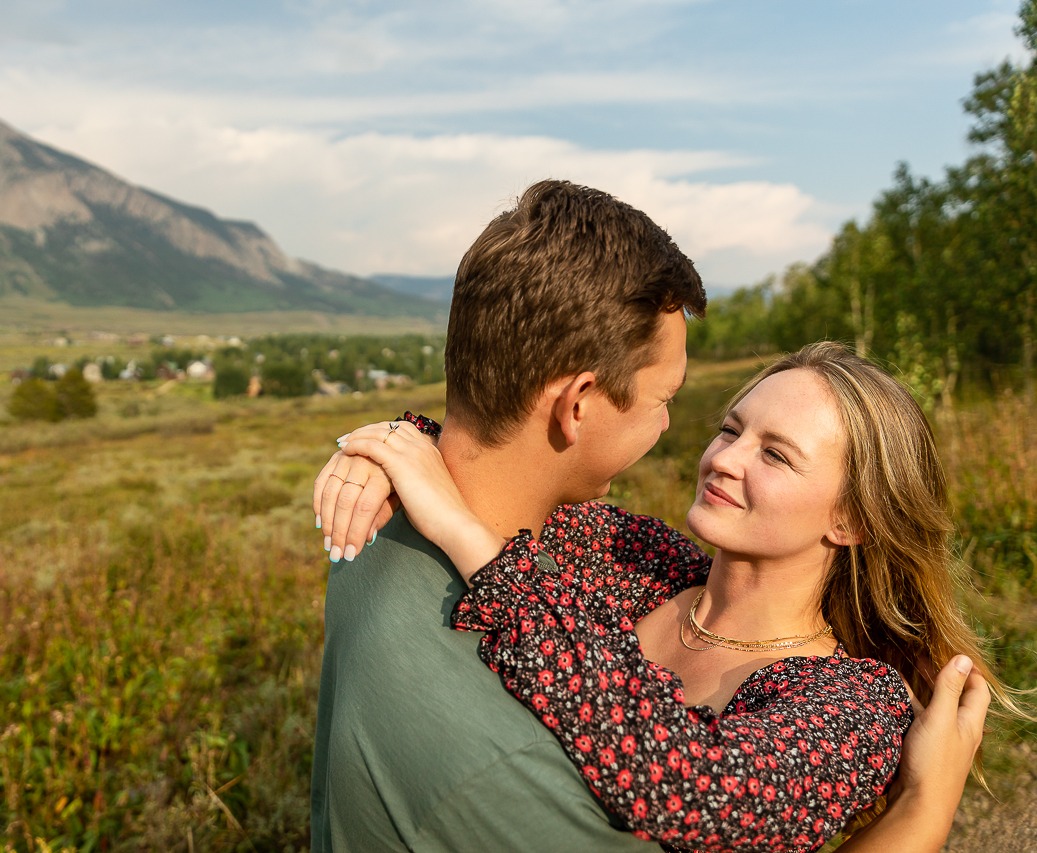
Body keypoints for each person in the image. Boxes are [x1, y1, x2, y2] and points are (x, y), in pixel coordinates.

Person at [308, 180, 989, 853]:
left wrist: (926, 806)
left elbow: (697, 787)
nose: (722, 458)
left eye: (775, 455)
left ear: (852, 520)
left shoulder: (853, 704)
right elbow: (494, 474)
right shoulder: (644, 563)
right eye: (730, 428)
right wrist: (397, 444)